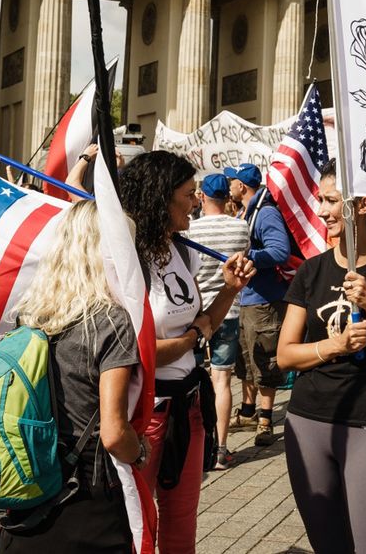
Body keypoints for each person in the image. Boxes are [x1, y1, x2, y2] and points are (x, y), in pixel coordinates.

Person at [277, 160, 366, 554]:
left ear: (362, 204)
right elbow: (285, 355)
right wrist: (333, 346)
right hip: (307, 422)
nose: (321, 210)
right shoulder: (311, 271)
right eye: (321, 200)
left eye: (330, 200)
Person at [119, 151, 255, 553]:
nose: (195, 201)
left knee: (181, 525)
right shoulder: (125, 259)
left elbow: (203, 322)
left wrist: (230, 288)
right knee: (136, 526)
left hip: (189, 405)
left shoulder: (184, 250)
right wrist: (193, 339)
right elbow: (131, 350)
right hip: (144, 413)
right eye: (187, 193)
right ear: (160, 197)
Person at [0, 200, 148, 552]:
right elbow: (112, 433)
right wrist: (138, 451)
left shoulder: (30, 314)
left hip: (29, 482)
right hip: (87, 493)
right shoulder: (112, 322)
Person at [223, 162, 291, 446]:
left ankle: (265, 419)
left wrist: (249, 256)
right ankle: (249, 411)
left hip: (265, 301)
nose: (230, 186)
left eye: (233, 181)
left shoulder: (266, 213)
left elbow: (280, 251)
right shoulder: (247, 212)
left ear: (242, 186)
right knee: (247, 361)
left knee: (265, 360)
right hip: (248, 300)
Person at [185, 173, 250, 471]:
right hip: (230, 310)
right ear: (228, 198)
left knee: (193, 378)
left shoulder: (192, 230)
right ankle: (221, 450)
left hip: (198, 313)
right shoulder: (241, 227)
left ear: (202, 197)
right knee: (222, 380)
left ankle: (196, 446)